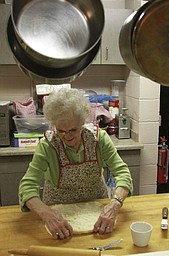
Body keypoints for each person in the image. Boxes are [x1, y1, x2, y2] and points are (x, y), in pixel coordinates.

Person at [19, 88, 133, 240]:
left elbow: (122, 172)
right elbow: (27, 185)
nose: (67, 136)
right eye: (61, 131)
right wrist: (46, 213)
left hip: (97, 210)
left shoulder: (99, 139)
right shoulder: (47, 146)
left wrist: (115, 204)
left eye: (73, 130)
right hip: (57, 213)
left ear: (83, 122)